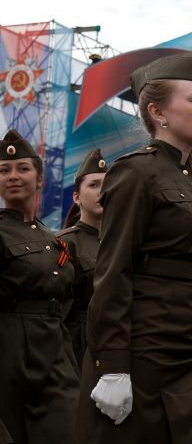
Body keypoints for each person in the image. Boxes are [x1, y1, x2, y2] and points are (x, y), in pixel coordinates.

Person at [73, 51, 192, 443]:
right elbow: (113, 272)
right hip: (149, 351)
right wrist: (112, 365)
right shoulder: (135, 172)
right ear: (158, 112)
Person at [0, 129, 80, 442]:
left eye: (23, 168)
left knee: (66, 428)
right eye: (4, 170)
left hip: (55, 347)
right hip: (9, 349)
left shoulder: (53, 239)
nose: (13, 176)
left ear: (40, 179)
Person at [57, 148, 106, 368]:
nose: (102, 191)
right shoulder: (65, 244)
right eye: (93, 185)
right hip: (79, 348)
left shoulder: (126, 242)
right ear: (76, 197)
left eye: (107, 184)